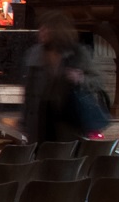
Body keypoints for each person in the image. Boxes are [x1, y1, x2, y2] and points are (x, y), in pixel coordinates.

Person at [26, 13, 105, 144]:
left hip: (69, 120)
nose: (41, 33)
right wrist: (24, 122)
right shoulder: (35, 54)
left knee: (65, 159)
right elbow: (28, 92)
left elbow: (98, 81)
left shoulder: (77, 53)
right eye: (41, 29)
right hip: (40, 121)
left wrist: (80, 78)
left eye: (46, 29)